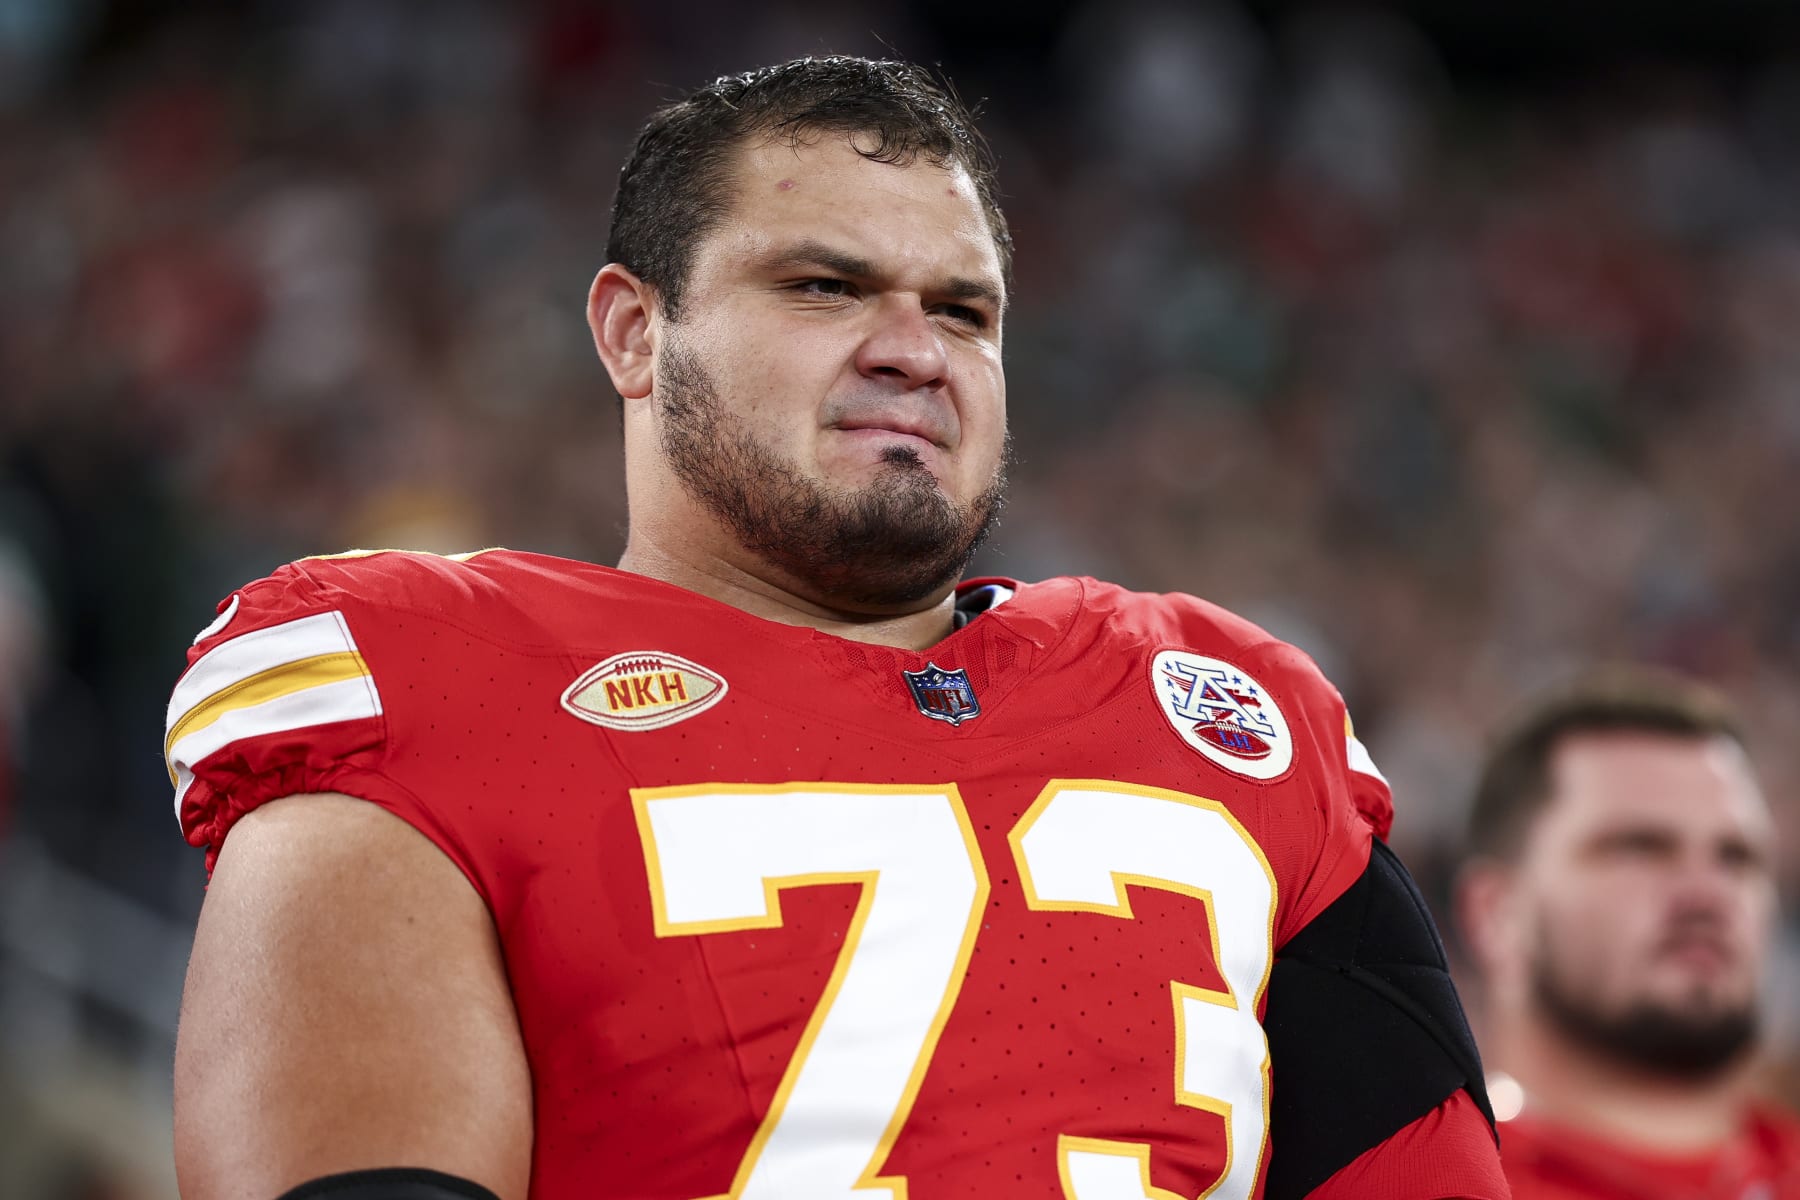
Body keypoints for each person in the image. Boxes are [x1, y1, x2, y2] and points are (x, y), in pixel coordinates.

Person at [166, 57, 1505, 1200]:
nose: (914, 350)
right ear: (635, 334)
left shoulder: (1223, 709)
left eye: (964, 311)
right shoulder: (431, 681)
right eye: (823, 287)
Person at [1455, 667, 1800, 1198]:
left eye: (1737, 857)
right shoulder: (1415, 1181)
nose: (1706, 893)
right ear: (1496, 914)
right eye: (1640, 847)